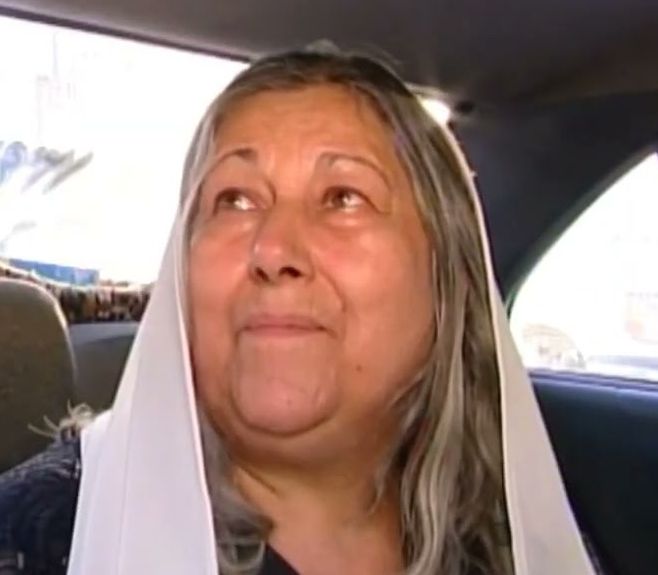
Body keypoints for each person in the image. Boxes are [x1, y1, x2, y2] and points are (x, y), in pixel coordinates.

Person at [0, 47, 597, 575]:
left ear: (447, 279)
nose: (273, 251)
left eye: (343, 198)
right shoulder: (42, 538)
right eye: (235, 200)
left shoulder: (510, 538)